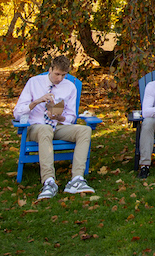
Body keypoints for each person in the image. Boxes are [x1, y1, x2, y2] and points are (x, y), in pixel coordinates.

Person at [13, 56, 95, 199]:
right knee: (45, 129)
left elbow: (70, 116)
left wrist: (59, 117)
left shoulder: (70, 86)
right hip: (35, 128)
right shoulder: (34, 83)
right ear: (50, 70)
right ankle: (49, 181)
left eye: (63, 75)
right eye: (57, 74)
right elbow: (17, 112)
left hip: (56, 126)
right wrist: (37, 101)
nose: (59, 78)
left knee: (85, 130)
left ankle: (76, 180)